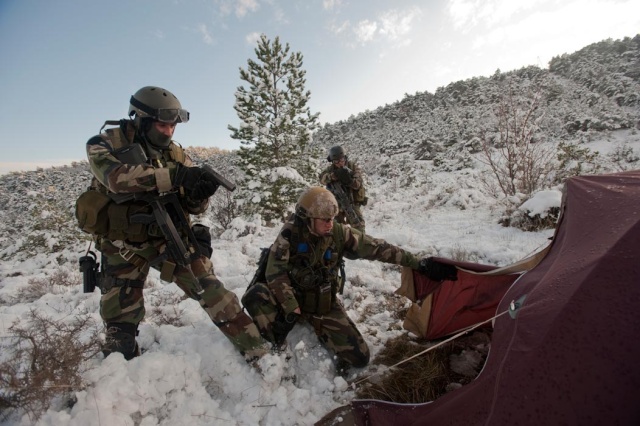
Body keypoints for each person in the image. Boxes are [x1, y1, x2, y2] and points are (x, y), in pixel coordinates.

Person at [79, 86, 270, 362]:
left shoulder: (177, 155)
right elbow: (115, 178)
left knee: (212, 291)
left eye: (172, 126)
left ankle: (259, 353)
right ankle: (120, 376)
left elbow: (193, 204)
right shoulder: (105, 143)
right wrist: (176, 176)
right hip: (123, 244)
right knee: (119, 322)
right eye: (162, 125)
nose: (169, 132)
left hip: (167, 236)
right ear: (140, 119)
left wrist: (198, 193)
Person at [241, 187, 457, 373]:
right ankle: (275, 346)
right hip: (291, 301)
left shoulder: (338, 234)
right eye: (325, 220)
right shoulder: (290, 234)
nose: (330, 224)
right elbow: (275, 272)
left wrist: (419, 264)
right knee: (255, 297)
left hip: (322, 304)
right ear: (308, 218)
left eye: (332, 219)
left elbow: (377, 248)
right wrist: (290, 306)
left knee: (360, 357)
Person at [319, 145, 367, 232]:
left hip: (352, 202)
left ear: (345, 158)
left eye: (342, 160)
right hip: (337, 203)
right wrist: (333, 176)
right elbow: (321, 179)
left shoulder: (352, 167)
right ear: (332, 161)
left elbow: (358, 184)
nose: (340, 163)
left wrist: (349, 181)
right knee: (336, 229)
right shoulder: (330, 170)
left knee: (359, 227)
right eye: (336, 161)